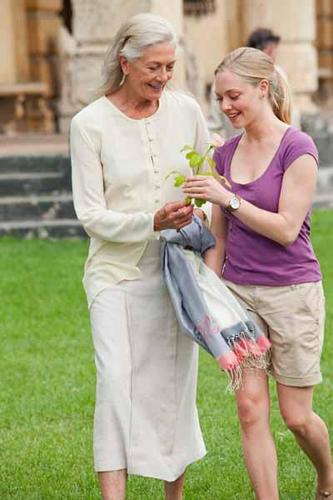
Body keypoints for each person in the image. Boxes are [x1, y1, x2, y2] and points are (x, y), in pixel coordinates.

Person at [183, 47, 333, 500]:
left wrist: (226, 198)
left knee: (296, 416)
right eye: (220, 98)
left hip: (293, 293)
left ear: (262, 89)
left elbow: (287, 229)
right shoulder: (224, 154)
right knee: (250, 409)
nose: (226, 107)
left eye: (234, 96)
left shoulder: (297, 147)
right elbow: (220, 236)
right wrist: (211, 294)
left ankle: (327, 478)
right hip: (239, 297)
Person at [70, 13, 209, 500]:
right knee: (114, 383)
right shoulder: (88, 124)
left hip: (177, 273)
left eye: (170, 66)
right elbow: (91, 215)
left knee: (174, 387)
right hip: (115, 274)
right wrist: (151, 221)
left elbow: (205, 181)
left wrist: (200, 214)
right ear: (124, 61)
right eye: (154, 67)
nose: (163, 77)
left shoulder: (188, 111)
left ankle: (174, 496)